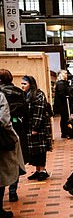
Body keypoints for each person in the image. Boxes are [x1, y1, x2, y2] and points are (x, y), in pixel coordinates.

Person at [0, 69, 27, 203]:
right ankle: (13, 191)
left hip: (5, 131)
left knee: (4, 163)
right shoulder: (19, 92)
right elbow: (24, 109)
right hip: (17, 126)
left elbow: (4, 119)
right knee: (14, 160)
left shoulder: (1, 94)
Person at [21, 76, 52, 181]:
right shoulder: (26, 95)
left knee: (40, 149)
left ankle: (42, 170)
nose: (22, 86)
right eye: (22, 84)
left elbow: (38, 113)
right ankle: (38, 170)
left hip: (39, 127)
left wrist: (35, 127)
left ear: (31, 84)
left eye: (24, 84)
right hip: (29, 126)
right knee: (34, 150)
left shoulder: (38, 95)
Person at [0, 91, 24, 218]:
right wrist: (13, 136)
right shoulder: (1, 96)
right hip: (2, 141)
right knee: (4, 171)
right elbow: (4, 120)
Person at [53, 70, 73, 139]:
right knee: (65, 118)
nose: (67, 75)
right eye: (65, 73)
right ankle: (66, 132)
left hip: (63, 104)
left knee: (64, 118)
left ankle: (65, 132)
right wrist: (67, 97)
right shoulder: (61, 83)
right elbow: (62, 94)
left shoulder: (62, 83)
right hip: (63, 104)